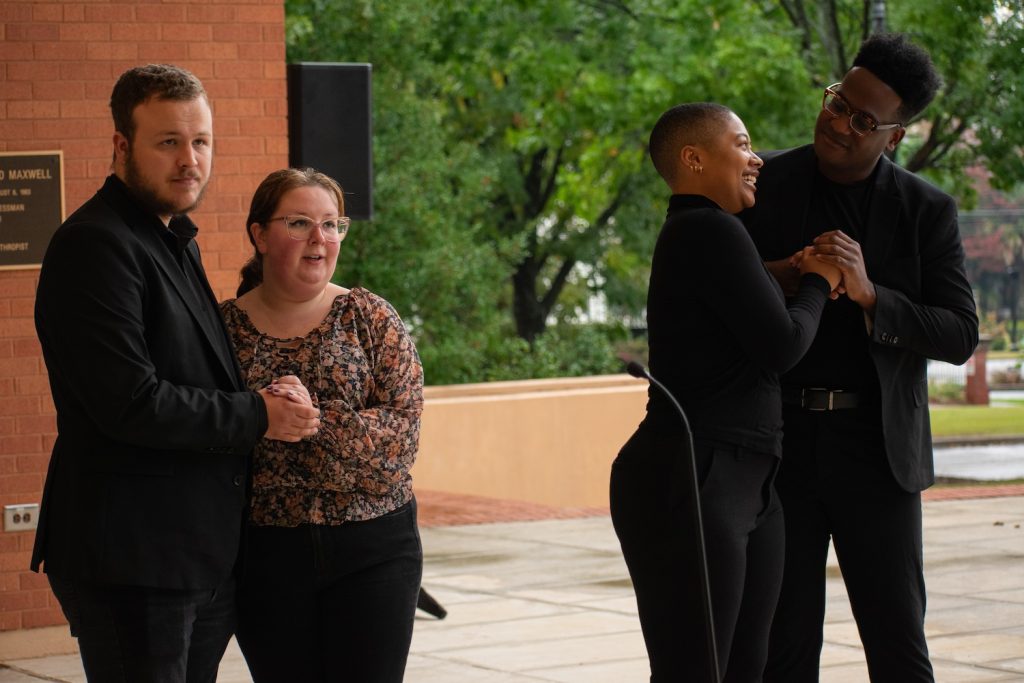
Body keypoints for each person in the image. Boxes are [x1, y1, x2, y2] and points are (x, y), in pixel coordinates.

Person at [31, 64, 321, 682]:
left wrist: (261, 393)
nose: (189, 160)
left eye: (201, 141)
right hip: (132, 558)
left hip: (193, 555)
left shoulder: (171, 239)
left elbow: (190, 375)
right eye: (168, 142)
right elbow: (130, 401)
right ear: (121, 146)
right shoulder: (95, 244)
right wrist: (259, 414)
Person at [739, 33, 980, 682]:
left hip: (879, 455)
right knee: (779, 651)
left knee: (898, 648)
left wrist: (873, 295)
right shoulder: (763, 182)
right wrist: (794, 272)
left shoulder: (927, 210)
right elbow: (718, 288)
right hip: (779, 446)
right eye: (838, 102)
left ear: (895, 135)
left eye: (864, 120)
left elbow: (959, 332)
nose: (840, 123)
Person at [610, 103, 841, 682]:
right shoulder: (708, 228)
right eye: (741, 144)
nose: (756, 158)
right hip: (695, 474)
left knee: (745, 666)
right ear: (694, 159)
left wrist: (780, 274)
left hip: (744, 479)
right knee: (697, 669)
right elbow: (783, 345)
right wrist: (819, 281)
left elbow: (738, 299)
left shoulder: (708, 234)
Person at [220, 168, 425, 683]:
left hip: (374, 549)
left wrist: (311, 419)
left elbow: (401, 439)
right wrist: (259, 416)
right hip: (264, 556)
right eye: (300, 223)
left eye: (332, 225)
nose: (320, 238)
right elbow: (206, 430)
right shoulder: (219, 329)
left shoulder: (371, 317)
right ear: (259, 234)